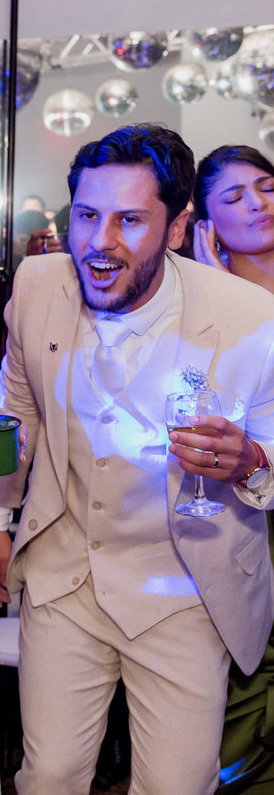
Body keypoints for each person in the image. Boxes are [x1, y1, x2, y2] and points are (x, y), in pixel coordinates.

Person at [0, 124, 274, 795]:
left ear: (177, 226)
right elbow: (16, 405)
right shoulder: (37, 284)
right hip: (64, 577)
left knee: (177, 786)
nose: (98, 242)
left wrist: (251, 458)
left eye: (129, 220)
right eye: (86, 215)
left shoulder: (252, 317)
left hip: (184, 590)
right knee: (48, 776)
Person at [191, 143, 274, 793]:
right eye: (235, 196)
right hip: (247, 520)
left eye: (266, 186)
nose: (258, 203)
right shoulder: (202, 309)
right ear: (206, 222)